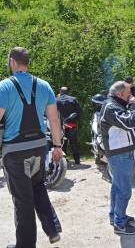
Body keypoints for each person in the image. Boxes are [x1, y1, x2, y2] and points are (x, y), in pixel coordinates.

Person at [0, 47, 63, 248]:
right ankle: (52, 229)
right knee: (37, 187)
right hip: (39, 148)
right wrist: (57, 146)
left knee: (23, 200)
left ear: (12, 62)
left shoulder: (4, 87)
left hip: (15, 151)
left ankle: (25, 246)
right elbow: (54, 119)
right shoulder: (44, 85)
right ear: (27, 63)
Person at [99, 81, 135, 235]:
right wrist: (133, 106)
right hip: (119, 154)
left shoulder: (116, 103)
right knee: (123, 190)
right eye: (129, 92)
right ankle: (120, 224)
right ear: (119, 93)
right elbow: (129, 122)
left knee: (117, 187)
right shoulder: (111, 107)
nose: (132, 95)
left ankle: (115, 216)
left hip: (121, 152)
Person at [56, 87, 81, 164]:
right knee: (74, 143)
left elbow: (52, 112)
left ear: (61, 91)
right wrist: (76, 120)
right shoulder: (73, 99)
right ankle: (77, 161)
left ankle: (63, 161)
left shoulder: (56, 100)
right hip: (71, 125)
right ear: (68, 92)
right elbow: (79, 111)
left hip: (61, 125)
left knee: (63, 143)